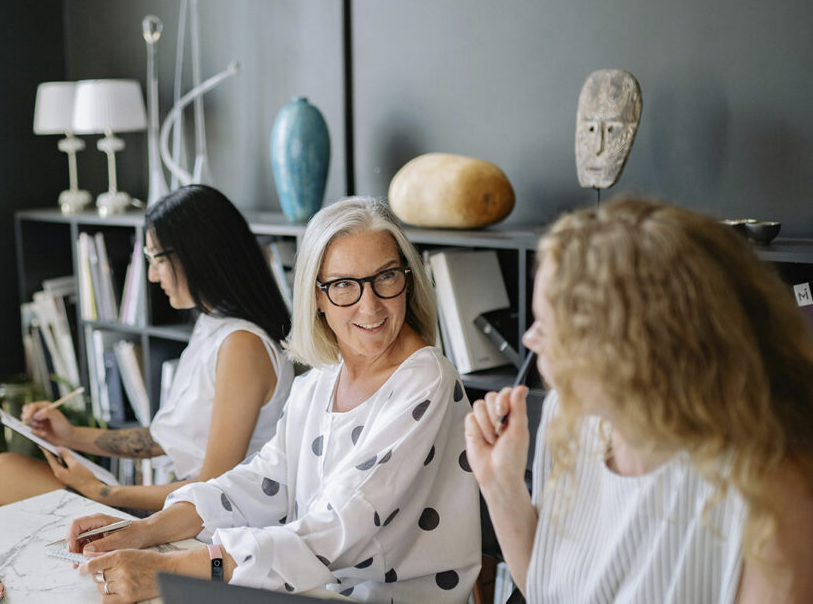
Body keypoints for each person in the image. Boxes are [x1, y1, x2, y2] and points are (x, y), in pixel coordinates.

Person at [64, 197, 480, 604]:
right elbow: (260, 483)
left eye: (386, 277)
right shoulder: (320, 380)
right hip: (314, 588)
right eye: (343, 285)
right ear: (316, 296)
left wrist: (168, 570)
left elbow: (339, 528)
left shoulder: (426, 380)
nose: (369, 304)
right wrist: (143, 530)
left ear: (407, 277)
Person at [466, 198, 813, 602]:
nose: (528, 339)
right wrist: (500, 485)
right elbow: (548, 591)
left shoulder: (773, 493)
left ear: (628, 350)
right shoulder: (570, 418)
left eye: (547, 324)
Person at [0, 185, 294, 514]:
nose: (153, 275)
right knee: (1, 472)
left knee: (0, 474)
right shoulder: (213, 325)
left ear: (196, 255)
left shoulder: (243, 346)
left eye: (156, 259)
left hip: (200, 524)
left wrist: (105, 493)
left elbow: (212, 488)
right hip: (181, 507)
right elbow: (160, 440)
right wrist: (68, 435)